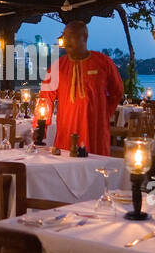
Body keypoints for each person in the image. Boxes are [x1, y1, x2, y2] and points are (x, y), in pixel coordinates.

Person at [38, 20, 123, 156]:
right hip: (67, 130)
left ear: (85, 37)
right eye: (64, 36)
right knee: (66, 170)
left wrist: (103, 113)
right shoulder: (57, 66)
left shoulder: (103, 62)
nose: (65, 41)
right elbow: (45, 99)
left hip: (95, 130)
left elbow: (117, 91)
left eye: (70, 36)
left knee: (97, 171)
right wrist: (40, 127)